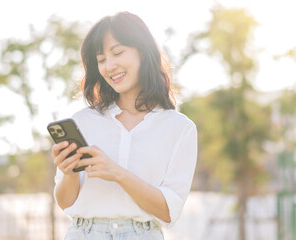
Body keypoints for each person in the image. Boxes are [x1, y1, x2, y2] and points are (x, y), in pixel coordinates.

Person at [52, 11, 197, 240]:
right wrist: (68, 172)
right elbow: (64, 202)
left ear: (142, 51)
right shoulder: (84, 121)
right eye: (101, 60)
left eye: (117, 52)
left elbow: (169, 211)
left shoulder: (179, 128)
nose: (109, 66)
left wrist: (117, 173)